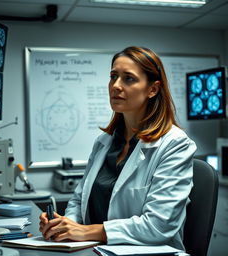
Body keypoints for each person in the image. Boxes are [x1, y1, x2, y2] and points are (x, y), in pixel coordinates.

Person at [39, 46, 197, 250]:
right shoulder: (104, 142)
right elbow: (78, 201)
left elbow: (159, 226)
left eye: (128, 78)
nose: (116, 85)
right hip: (94, 249)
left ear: (153, 89)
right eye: (113, 76)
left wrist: (86, 232)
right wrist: (63, 227)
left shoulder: (175, 144)